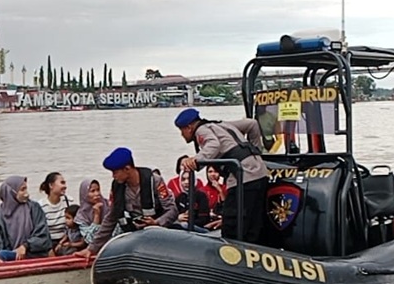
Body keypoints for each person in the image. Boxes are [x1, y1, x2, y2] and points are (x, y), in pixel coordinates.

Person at [175, 108, 268, 243]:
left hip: (244, 177)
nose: (182, 135)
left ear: (189, 127)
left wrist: (196, 161)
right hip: (259, 172)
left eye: (181, 131)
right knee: (253, 219)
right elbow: (252, 124)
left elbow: (214, 145)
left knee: (232, 220)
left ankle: (232, 252)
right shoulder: (220, 125)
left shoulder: (201, 131)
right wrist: (256, 151)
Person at [75, 147, 179, 258]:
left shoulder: (154, 180)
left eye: (115, 172)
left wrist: (157, 222)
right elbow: (111, 218)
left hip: (159, 234)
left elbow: (172, 210)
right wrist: (92, 248)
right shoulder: (117, 186)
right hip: (134, 235)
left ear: (127, 168)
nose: (113, 176)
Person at [0, 175, 52, 263]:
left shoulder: (34, 208)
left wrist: (25, 246)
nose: (26, 192)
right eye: (22, 189)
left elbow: (43, 235)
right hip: (7, 249)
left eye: (26, 188)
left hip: (30, 252)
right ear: (11, 192)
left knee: (3, 255)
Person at [170, 155, 212, 230]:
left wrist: (189, 220)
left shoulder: (201, 196)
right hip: (182, 226)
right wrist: (178, 217)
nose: (186, 182)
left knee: (184, 226)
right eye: (183, 179)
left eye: (189, 179)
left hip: (198, 228)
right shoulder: (180, 197)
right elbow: (173, 214)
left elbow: (204, 219)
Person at [37, 172, 71, 255]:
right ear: (51, 185)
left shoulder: (69, 201)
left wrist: (63, 242)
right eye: (62, 183)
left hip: (65, 240)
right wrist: (48, 249)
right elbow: (40, 231)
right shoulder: (40, 206)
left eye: (65, 183)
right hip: (47, 243)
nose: (65, 186)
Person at [74, 178, 108, 246]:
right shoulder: (81, 216)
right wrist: (96, 216)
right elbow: (90, 240)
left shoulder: (108, 205)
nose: (97, 193)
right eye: (92, 191)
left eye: (98, 190)